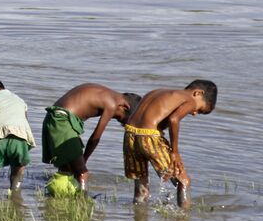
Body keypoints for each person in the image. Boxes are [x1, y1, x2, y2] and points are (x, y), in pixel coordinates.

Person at [123, 79, 218, 207]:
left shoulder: (157, 92)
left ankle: (139, 214)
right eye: (200, 109)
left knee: (141, 180)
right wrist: (175, 152)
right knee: (183, 181)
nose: (195, 113)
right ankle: (183, 217)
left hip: (129, 134)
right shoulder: (189, 99)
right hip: (149, 136)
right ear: (198, 93)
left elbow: (150, 118)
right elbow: (174, 120)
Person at [42, 84, 141, 191]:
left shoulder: (106, 93)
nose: (116, 118)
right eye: (119, 118)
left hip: (53, 118)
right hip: (63, 121)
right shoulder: (113, 104)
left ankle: (59, 193)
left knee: (67, 168)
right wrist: (84, 160)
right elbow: (95, 138)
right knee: (82, 173)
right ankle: (83, 199)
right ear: (124, 107)